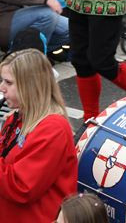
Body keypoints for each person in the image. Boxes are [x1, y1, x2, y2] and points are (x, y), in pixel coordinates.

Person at [0, 49, 77, 220]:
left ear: (30, 86)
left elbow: (22, 187)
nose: (2, 88)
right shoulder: (18, 115)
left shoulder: (53, 129)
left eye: (8, 82)